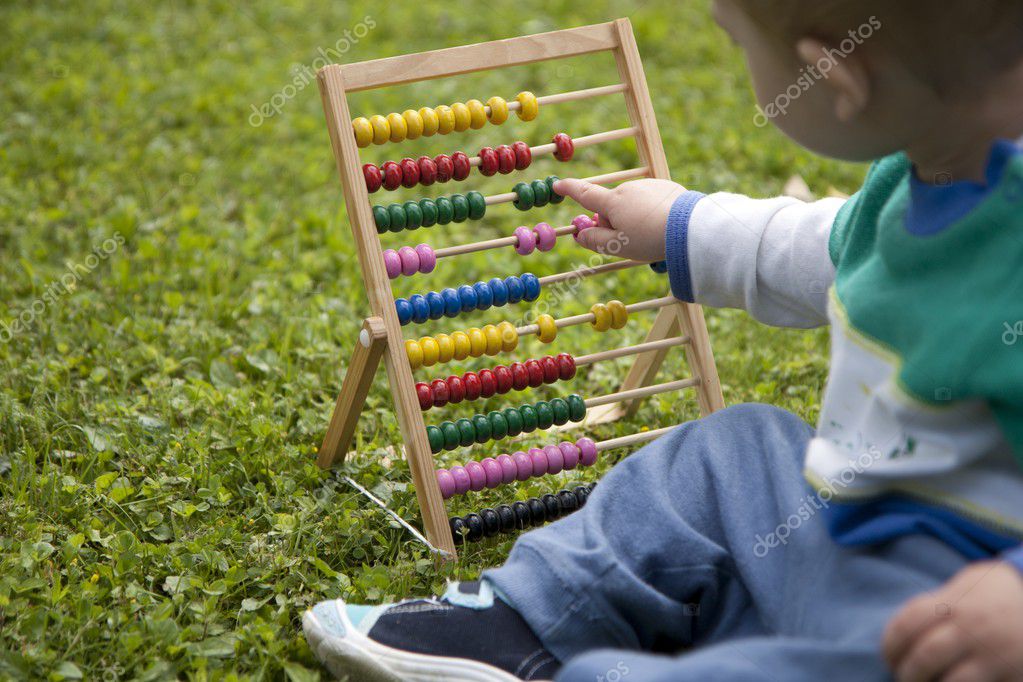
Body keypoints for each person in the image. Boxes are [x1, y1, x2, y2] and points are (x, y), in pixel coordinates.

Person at [303, 0, 1023, 679]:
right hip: (837, 526)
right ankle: (525, 619)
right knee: (732, 451)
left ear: (833, 77)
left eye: (739, 43)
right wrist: (685, 224)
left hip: (935, 623)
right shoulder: (920, 172)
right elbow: (826, 246)